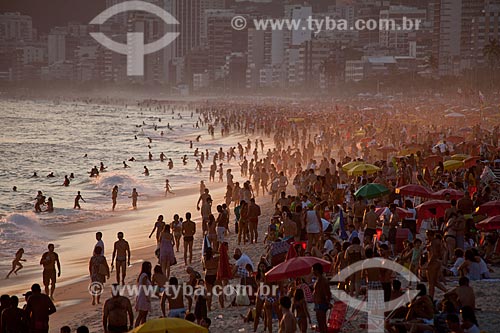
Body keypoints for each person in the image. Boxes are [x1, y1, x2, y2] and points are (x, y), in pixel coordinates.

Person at [312, 263, 331, 333]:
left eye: (313, 270)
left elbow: (327, 293)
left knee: (322, 324)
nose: (312, 272)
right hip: (319, 303)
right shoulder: (319, 279)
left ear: (316, 270)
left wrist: (327, 302)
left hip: (321, 303)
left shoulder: (322, 280)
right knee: (321, 324)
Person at [134, 261, 152, 327]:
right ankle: (136, 328)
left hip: (144, 296)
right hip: (143, 297)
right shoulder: (144, 275)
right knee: (141, 315)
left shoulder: (144, 275)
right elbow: (144, 287)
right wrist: (147, 297)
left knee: (144, 315)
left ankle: (142, 327)